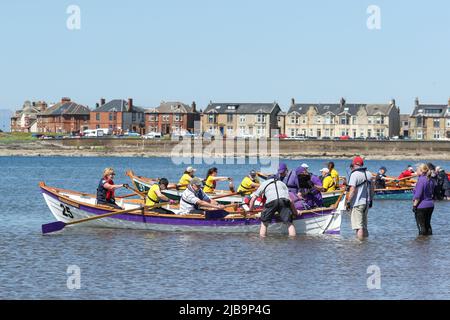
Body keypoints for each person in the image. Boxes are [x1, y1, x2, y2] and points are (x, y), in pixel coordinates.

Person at [346, 156, 374, 240]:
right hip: (366, 203)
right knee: (364, 225)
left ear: (354, 164)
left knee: (358, 227)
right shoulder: (369, 174)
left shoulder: (354, 174)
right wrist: (371, 200)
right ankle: (365, 243)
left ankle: (360, 244)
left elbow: (352, 190)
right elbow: (372, 189)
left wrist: (348, 202)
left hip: (357, 203)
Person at [413, 164, 435, 236]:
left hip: (422, 205)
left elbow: (418, 195)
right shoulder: (430, 179)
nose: (416, 171)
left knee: (421, 226)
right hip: (431, 205)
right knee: (427, 224)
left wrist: (414, 206)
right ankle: (429, 243)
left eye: (417, 170)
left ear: (421, 171)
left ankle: (421, 244)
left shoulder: (421, 180)